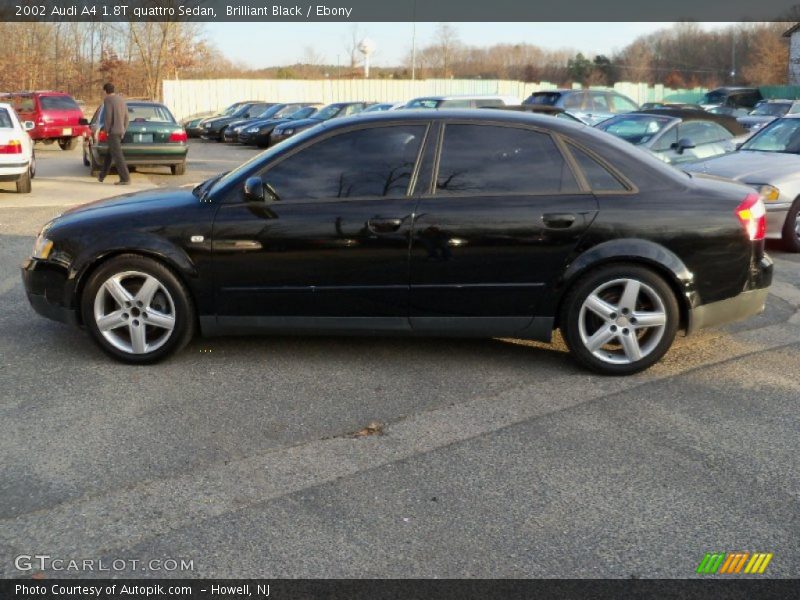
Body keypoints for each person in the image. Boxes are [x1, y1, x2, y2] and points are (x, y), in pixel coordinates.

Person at [98, 82, 130, 185]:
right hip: (120, 130)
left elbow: (108, 117)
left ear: (105, 91)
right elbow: (126, 117)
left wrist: (106, 131)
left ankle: (125, 178)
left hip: (112, 131)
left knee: (118, 156)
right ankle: (102, 176)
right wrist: (124, 129)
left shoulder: (108, 100)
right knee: (110, 153)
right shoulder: (121, 99)